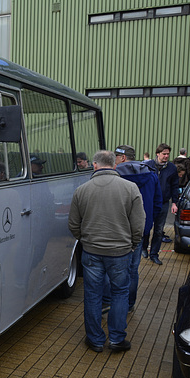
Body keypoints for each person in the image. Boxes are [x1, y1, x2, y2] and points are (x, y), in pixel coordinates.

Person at [68, 150, 144, 353]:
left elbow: (73, 224)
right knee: (120, 292)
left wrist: (85, 240)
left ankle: (95, 340)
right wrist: (133, 244)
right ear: (115, 165)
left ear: (94, 165)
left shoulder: (82, 190)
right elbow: (139, 223)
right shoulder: (130, 188)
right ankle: (118, 339)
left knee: (93, 294)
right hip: (120, 252)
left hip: (92, 251)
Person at [103, 145, 162, 313]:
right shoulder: (151, 175)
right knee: (132, 269)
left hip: (115, 229)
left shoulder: (113, 175)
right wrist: (147, 221)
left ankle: (108, 301)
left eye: (116, 156)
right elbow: (157, 203)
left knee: (110, 267)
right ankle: (129, 304)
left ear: (122, 158)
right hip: (140, 229)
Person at [143, 143, 180, 264]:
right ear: (157, 154)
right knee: (146, 227)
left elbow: (175, 186)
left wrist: (174, 202)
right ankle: (144, 248)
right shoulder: (147, 166)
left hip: (163, 203)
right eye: (164, 154)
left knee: (159, 230)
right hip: (148, 202)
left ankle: (154, 254)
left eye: (168, 154)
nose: (166, 156)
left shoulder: (172, 168)